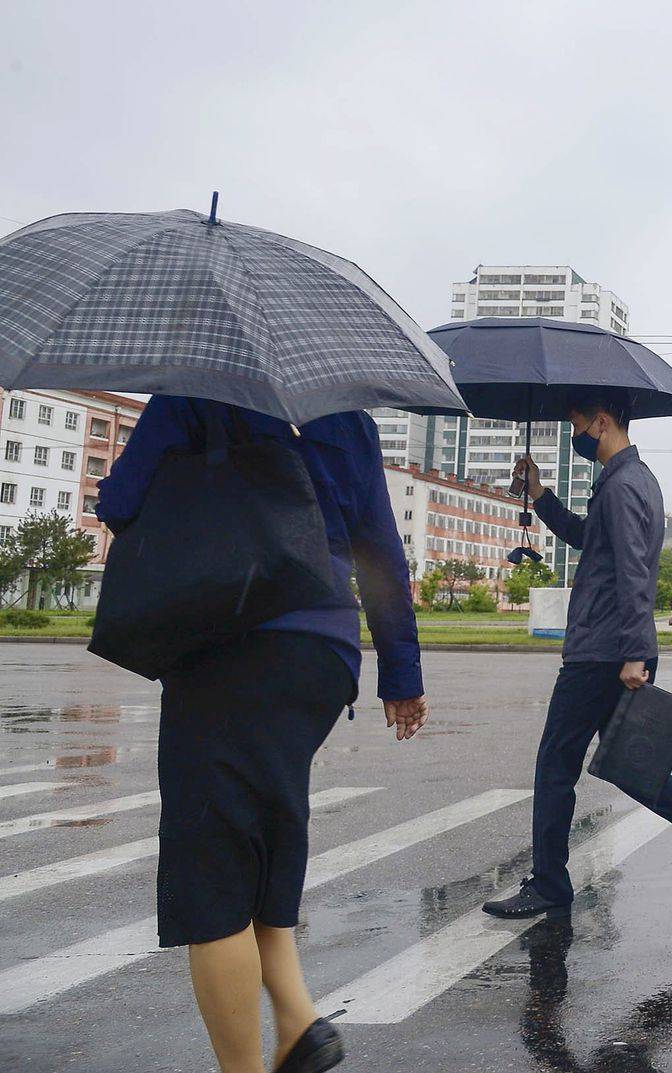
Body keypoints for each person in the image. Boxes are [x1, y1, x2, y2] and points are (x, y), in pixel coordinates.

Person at [98, 396, 428, 1073]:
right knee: (261, 834)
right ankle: (298, 1020)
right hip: (324, 654)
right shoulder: (349, 416)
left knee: (213, 872)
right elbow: (380, 550)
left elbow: (122, 502)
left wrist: (126, 472)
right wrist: (402, 671)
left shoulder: (196, 390)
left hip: (234, 636)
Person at [483, 391, 672, 921]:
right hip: (612, 647)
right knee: (632, 769)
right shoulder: (627, 481)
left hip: (603, 653)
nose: (575, 435)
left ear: (602, 422)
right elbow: (593, 540)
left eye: (576, 423)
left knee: (555, 765)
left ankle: (548, 885)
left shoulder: (625, 483)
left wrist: (635, 652)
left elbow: (634, 570)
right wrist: (540, 495)